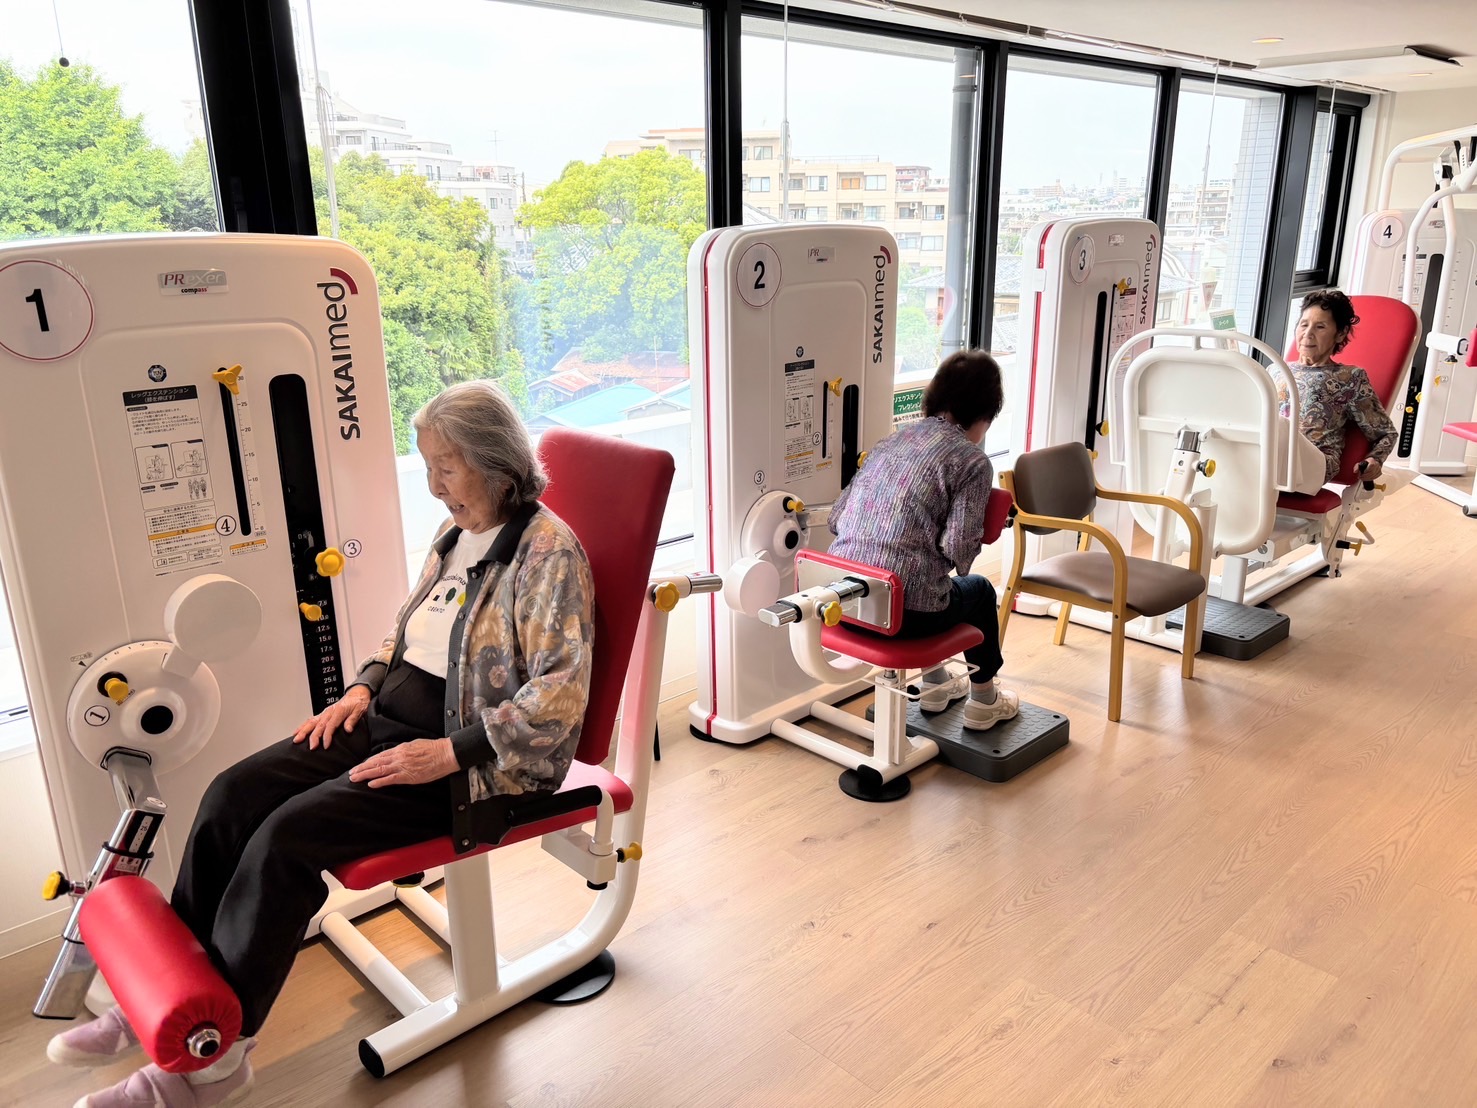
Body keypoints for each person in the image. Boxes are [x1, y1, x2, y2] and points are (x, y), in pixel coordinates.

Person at [51, 381, 596, 1107]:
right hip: (386, 719)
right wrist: (361, 689)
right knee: (231, 796)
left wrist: (449, 752)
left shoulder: (548, 553)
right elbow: (405, 635)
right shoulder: (455, 535)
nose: (435, 487)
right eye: (427, 467)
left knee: (286, 838)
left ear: (496, 464)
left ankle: (213, 1062)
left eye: (447, 468)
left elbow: (559, 694)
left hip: (472, 764)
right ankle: (164, 1001)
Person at [827, 350, 1018, 730]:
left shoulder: (890, 442)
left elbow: (836, 519)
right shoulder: (972, 461)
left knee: (925, 582)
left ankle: (935, 686)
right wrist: (978, 536)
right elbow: (957, 547)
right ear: (985, 413)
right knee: (977, 590)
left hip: (843, 603)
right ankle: (985, 701)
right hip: (906, 618)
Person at [1277, 289, 1398, 495]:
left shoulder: (1349, 377)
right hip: (1274, 456)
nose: (1308, 334)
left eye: (1320, 327)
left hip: (1314, 465)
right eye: (1304, 324)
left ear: (1340, 333)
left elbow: (1386, 433)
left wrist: (1375, 459)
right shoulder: (1276, 369)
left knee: (1278, 428)